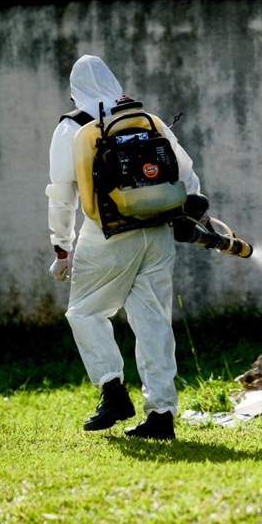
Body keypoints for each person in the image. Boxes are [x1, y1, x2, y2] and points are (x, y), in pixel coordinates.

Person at [46, 55, 201, 440]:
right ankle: (161, 414)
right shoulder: (145, 120)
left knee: (85, 312)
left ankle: (113, 391)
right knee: (153, 323)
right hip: (158, 230)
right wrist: (188, 215)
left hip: (109, 233)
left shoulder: (73, 128)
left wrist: (61, 246)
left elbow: (61, 196)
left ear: (75, 92)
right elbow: (186, 174)